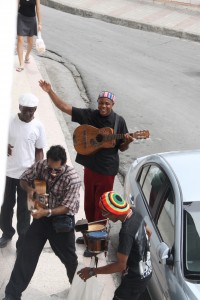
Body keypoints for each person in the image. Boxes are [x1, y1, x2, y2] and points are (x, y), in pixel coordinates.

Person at [39, 80, 134, 226]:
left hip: (106, 170)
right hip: (90, 167)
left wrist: (127, 141)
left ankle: (98, 238)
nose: (103, 106)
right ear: (97, 103)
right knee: (89, 203)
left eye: (107, 103)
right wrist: (49, 91)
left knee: (102, 205)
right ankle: (89, 234)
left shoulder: (118, 122)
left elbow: (122, 148)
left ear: (112, 105)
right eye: (101, 102)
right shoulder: (89, 115)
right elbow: (63, 107)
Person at [3, 145, 81, 300]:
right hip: (41, 217)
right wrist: (30, 190)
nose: (52, 172)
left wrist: (48, 212)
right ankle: (12, 294)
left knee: (70, 259)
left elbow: (68, 207)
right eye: (50, 168)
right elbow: (24, 179)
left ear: (64, 164)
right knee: (26, 255)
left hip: (61, 222)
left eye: (56, 170)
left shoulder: (72, 179)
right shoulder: (41, 165)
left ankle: (79, 290)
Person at [77, 191, 152, 300]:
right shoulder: (134, 212)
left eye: (104, 213)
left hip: (133, 280)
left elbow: (120, 265)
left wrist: (92, 271)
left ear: (113, 213)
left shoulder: (126, 232)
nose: (104, 216)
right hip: (147, 272)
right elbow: (149, 232)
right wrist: (139, 252)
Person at [0, 93, 46, 251]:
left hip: (27, 176)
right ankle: (6, 233)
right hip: (7, 173)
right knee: (6, 206)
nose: (28, 114)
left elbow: (39, 150)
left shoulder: (38, 126)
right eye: (25, 110)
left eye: (31, 111)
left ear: (35, 110)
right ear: (19, 108)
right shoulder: (8, 121)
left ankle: (23, 240)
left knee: (24, 209)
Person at [16, 0, 42, 72]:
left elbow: (38, 9)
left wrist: (40, 23)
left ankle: (27, 56)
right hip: (21, 17)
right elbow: (16, 5)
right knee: (20, 40)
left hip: (31, 19)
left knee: (30, 42)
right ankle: (21, 63)